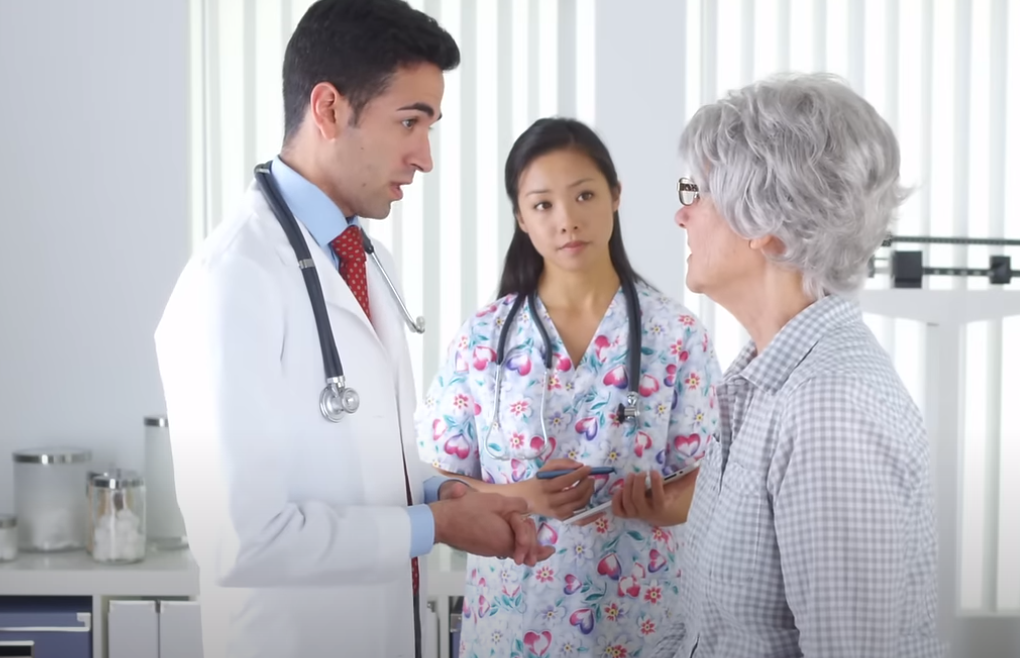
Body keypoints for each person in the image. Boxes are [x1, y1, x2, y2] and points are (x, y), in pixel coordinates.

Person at [152, 2, 550, 657]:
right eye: (408, 122)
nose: (423, 157)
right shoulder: (232, 281)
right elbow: (238, 538)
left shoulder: (360, 257)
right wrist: (435, 524)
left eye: (430, 125)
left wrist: (442, 492)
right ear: (330, 109)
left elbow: (354, 461)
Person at [415, 117, 722, 658]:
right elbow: (434, 478)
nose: (567, 220)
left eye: (584, 195)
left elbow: (714, 486)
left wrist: (658, 504)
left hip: (641, 625)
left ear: (615, 196)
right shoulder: (486, 337)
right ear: (521, 218)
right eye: (542, 205)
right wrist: (521, 497)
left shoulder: (675, 335)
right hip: (511, 626)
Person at [665, 72, 946, 657]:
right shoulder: (760, 384)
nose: (681, 215)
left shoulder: (828, 408)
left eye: (697, 192)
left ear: (765, 220)